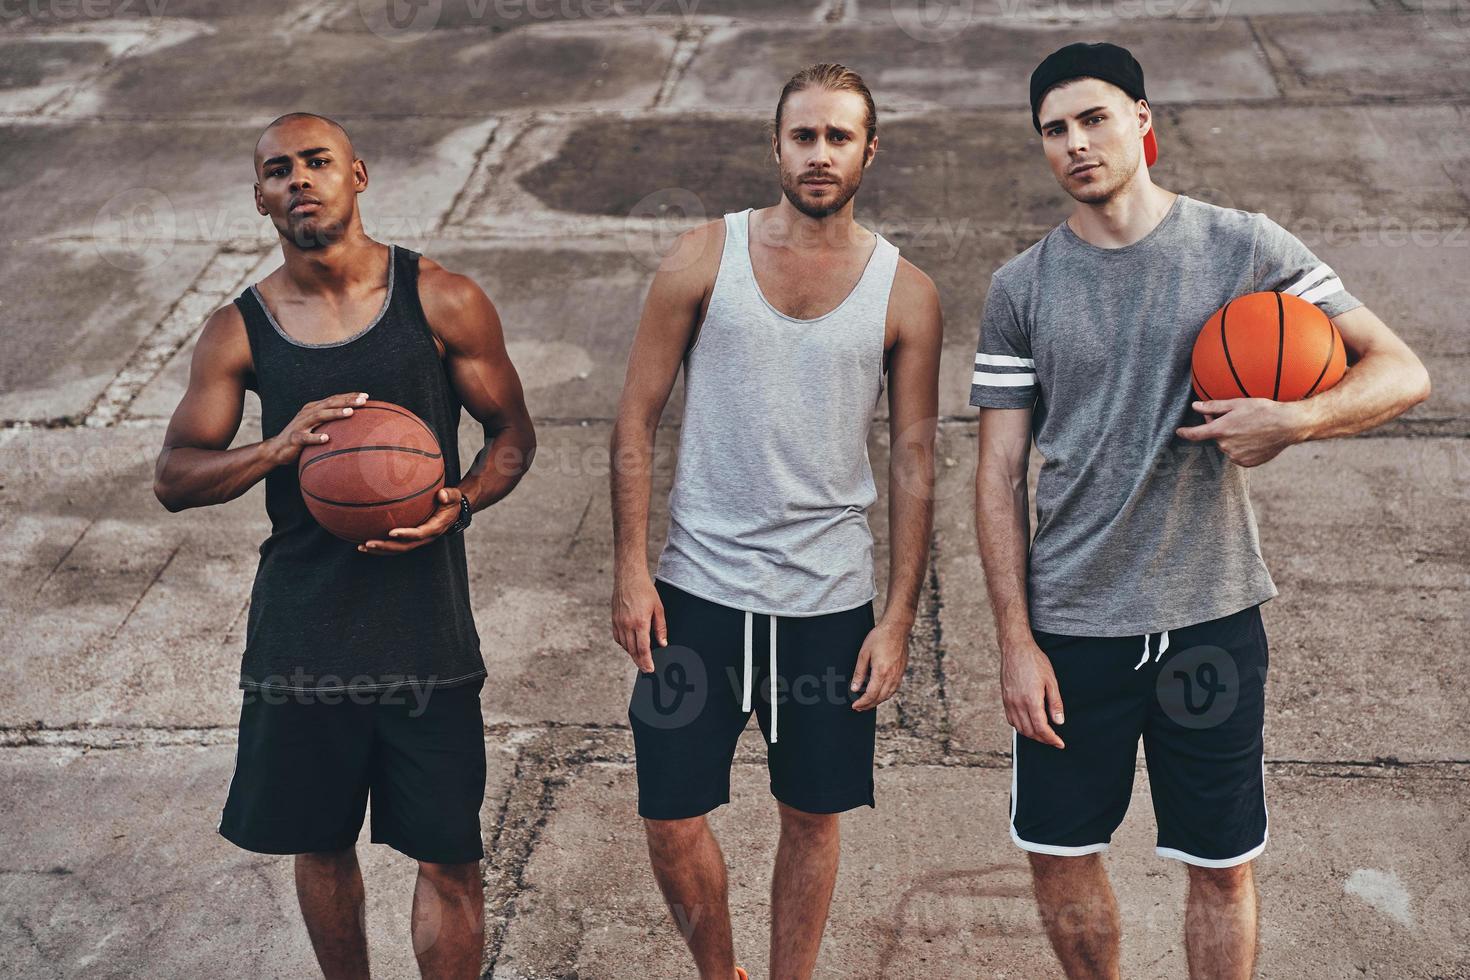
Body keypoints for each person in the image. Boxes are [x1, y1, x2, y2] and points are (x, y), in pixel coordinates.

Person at [970, 43, 1430, 980]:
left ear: (1144, 122)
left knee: (1220, 867)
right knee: (1059, 856)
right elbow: (997, 472)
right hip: (1071, 626)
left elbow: (1403, 370)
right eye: (1055, 131)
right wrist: (1015, 639)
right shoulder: (1022, 287)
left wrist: (1296, 418)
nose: (1076, 144)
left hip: (1210, 619)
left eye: (1094, 119)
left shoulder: (1244, 247)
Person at [153, 112, 536, 980]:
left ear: (357, 175)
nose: (300, 180)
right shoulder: (239, 330)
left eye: (317, 162)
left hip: (426, 635)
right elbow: (174, 476)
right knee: (321, 848)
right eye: (278, 169)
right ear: (259, 196)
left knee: (449, 859)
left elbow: (511, 433)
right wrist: (275, 448)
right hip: (302, 640)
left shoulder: (441, 298)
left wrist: (463, 502)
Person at [610, 64, 942, 980]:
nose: (820, 154)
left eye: (840, 138)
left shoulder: (905, 292)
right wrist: (631, 571)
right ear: (776, 145)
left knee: (810, 814)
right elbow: (635, 418)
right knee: (670, 817)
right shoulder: (701, 258)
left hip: (828, 601)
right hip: (696, 590)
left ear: (870, 151)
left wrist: (898, 616)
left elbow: (915, 465)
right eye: (804, 136)